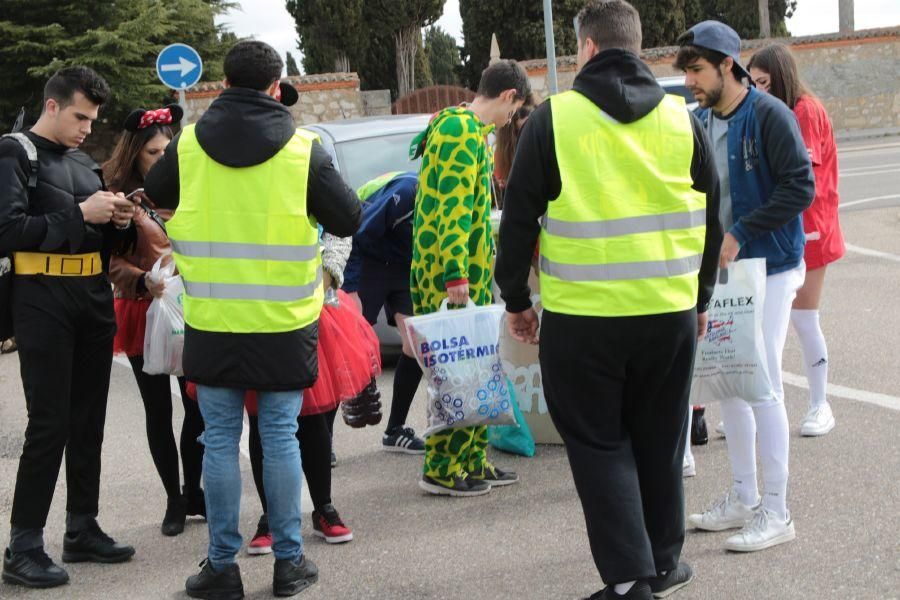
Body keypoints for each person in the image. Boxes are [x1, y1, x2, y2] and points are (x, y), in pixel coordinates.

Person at [496, 2, 722, 598]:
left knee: (599, 445)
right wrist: (701, 299)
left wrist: (516, 298)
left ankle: (628, 581)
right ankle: (664, 562)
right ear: (636, 47)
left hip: (584, 321)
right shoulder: (681, 119)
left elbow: (517, 220)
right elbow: (712, 218)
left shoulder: (555, 120)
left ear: (587, 50)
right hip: (668, 314)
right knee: (661, 438)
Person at [144, 41, 361, 599]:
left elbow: (158, 192)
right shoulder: (302, 149)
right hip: (285, 324)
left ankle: (222, 566)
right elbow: (348, 215)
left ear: (221, 81)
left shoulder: (188, 144)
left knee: (218, 441)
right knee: (281, 437)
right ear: (275, 86)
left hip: (214, 321)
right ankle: (289, 565)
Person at [675, 21, 815, 552]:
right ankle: (742, 498)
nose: (689, 80)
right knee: (727, 381)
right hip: (725, 274)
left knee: (763, 385)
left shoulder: (770, 115)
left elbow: (801, 185)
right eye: (686, 71)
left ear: (727, 66)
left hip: (772, 267)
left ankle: (777, 513)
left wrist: (740, 232)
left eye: (696, 70)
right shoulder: (700, 121)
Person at [0, 66, 137, 589]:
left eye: (93, 118)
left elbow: (101, 244)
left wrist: (119, 223)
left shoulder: (84, 162)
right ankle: (24, 544)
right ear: (52, 106)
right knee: (49, 422)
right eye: (80, 115)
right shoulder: (15, 152)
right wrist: (82, 212)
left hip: (92, 298)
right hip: (41, 300)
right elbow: (8, 230)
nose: (87, 126)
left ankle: (81, 527)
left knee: (88, 421)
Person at [410, 59, 529, 497]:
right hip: (452, 274)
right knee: (456, 372)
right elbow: (453, 210)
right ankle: (442, 466)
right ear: (509, 97)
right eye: (514, 112)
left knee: (475, 368)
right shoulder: (461, 132)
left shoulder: (461, 127)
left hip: (460, 272)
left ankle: (470, 458)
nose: (510, 123)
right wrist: (456, 273)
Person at [103, 105, 206, 537]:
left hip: (189, 310)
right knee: (158, 410)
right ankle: (173, 500)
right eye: (152, 152)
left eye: (168, 150)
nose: (162, 158)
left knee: (198, 406)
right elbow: (108, 261)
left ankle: (194, 488)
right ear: (134, 154)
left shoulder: (189, 190)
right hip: (143, 310)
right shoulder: (119, 198)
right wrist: (143, 279)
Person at [243, 230, 380, 552]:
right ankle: (270, 517)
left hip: (313, 305)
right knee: (261, 416)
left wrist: (327, 275)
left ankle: (324, 508)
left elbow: (340, 226)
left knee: (315, 417)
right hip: (252, 308)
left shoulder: (310, 177)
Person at [748, 43, 845, 437]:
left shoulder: (804, 111)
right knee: (762, 327)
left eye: (764, 83)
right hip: (784, 231)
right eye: (753, 83)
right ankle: (760, 406)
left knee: (804, 320)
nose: (758, 91)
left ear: (782, 77)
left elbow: (798, 175)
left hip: (811, 230)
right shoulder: (779, 110)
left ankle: (820, 404)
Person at [343, 171, 426, 454]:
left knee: (417, 343)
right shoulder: (408, 194)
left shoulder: (452, 201)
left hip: (403, 265)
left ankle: (395, 430)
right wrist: (351, 287)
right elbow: (356, 232)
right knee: (350, 349)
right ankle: (321, 441)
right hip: (371, 259)